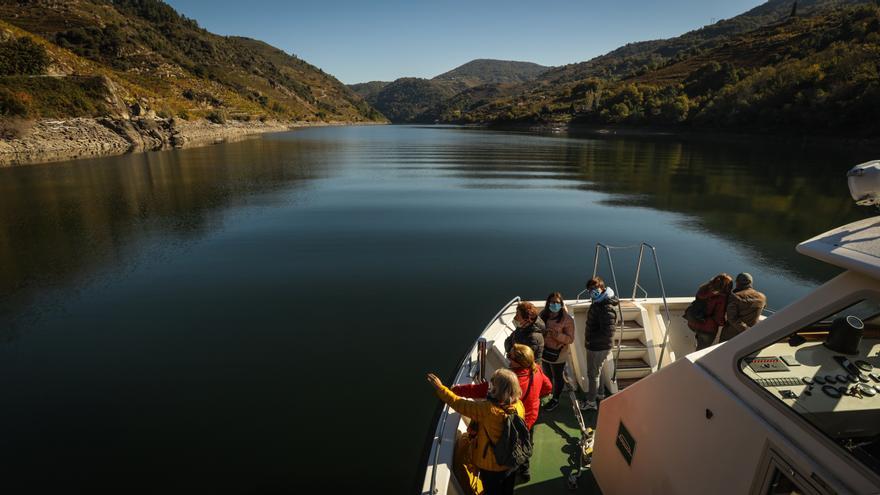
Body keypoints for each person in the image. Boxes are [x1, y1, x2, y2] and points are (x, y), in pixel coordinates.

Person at [452, 344, 551, 482]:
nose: (508, 358)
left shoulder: (507, 381)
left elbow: (478, 390)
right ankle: (525, 470)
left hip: (512, 423)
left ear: (519, 361)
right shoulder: (537, 370)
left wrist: (455, 390)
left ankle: (510, 469)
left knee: (509, 446)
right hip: (529, 419)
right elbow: (548, 388)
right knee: (525, 442)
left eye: (510, 356)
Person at [427, 368, 525, 495]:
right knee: (506, 489)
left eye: (492, 384)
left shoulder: (488, 410)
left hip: (491, 465)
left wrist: (441, 388)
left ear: (497, 389)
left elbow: (459, 404)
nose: (490, 387)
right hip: (511, 460)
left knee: (492, 490)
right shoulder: (519, 405)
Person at [581, 276, 619, 411]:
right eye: (590, 289)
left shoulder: (605, 307)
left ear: (602, 288)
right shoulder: (599, 301)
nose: (592, 291)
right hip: (599, 346)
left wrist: (591, 340)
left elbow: (608, 332)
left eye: (594, 288)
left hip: (598, 347)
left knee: (593, 374)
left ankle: (591, 402)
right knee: (599, 370)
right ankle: (600, 393)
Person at [539, 292, 574, 412]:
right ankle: (548, 392)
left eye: (557, 302)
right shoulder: (543, 315)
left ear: (561, 304)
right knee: (547, 374)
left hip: (558, 354)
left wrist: (556, 335)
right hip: (544, 352)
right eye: (552, 302)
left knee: (557, 377)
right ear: (548, 303)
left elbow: (570, 339)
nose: (554, 304)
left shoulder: (566, 319)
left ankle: (555, 399)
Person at [689, 273, 733, 351]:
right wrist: (724, 324)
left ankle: (698, 343)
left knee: (699, 337)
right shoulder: (721, 298)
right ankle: (692, 362)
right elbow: (718, 317)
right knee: (702, 351)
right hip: (708, 328)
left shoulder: (703, 289)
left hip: (694, 322)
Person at [720, 272, 767, 342]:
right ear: (751, 283)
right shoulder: (762, 297)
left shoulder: (735, 297)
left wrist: (746, 330)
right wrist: (749, 331)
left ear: (738, 283)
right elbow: (763, 308)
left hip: (730, 334)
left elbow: (732, 318)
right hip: (750, 335)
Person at [504, 301, 544, 366]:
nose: (515, 317)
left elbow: (524, 359)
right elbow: (508, 341)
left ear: (527, 319)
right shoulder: (522, 327)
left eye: (518, 315)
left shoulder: (533, 337)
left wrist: (511, 351)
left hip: (528, 371)